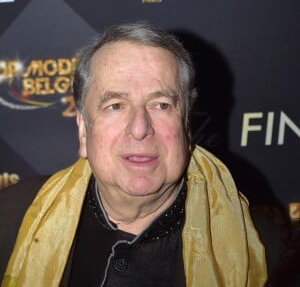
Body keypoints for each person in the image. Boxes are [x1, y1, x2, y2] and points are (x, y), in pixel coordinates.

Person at [0, 22, 267, 287]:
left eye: (161, 105)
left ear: (187, 125)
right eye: (115, 105)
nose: (139, 129)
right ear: (83, 129)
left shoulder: (265, 250)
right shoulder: (11, 217)